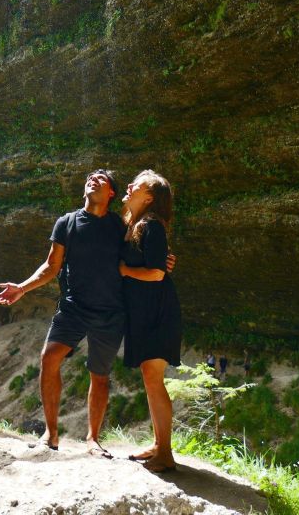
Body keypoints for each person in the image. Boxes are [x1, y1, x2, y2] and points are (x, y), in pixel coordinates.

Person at [0, 169, 127, 457]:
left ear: (111, 193)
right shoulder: (67, 223)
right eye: (90, 177)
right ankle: (51, 434)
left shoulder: (119, 226)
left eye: (101, 179)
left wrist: (160, 261)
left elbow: (136, 255)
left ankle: (93, 440)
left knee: (99, 374)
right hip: (73, 306)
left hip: (110, 311)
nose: (93, 179)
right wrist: (22, 288)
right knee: (49, 357)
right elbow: (51, 266)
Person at [118, 170, 181, 473]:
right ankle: (159, 445)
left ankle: (166, 453)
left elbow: (156, 273)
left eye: (137, 185)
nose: (129, 187)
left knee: (154, 379)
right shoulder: (133, 224)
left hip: (158, 312)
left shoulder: (151, 226)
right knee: (150, 377)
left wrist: (124, 271)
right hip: (145, 312)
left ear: (150, 197)